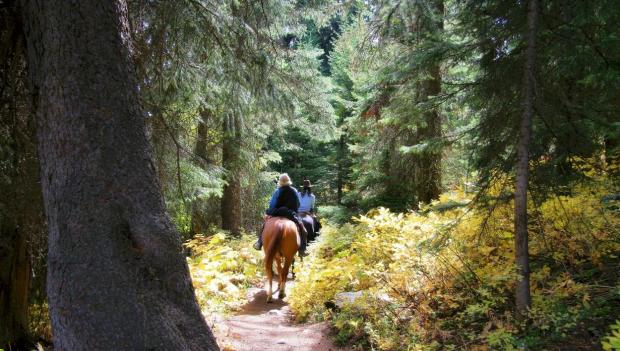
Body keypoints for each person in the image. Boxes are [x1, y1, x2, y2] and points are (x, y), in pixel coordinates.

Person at [253, 173, 309, 256]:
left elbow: (272, 205)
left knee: (265, 225)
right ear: (289, 181)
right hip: (290, 213)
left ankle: (259, 243)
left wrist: (270, 212)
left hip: (277, 212)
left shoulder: (277, 191)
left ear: (280, 182)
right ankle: (302, 250)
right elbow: (297, 204)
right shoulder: (294, 191)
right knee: (303, 230)